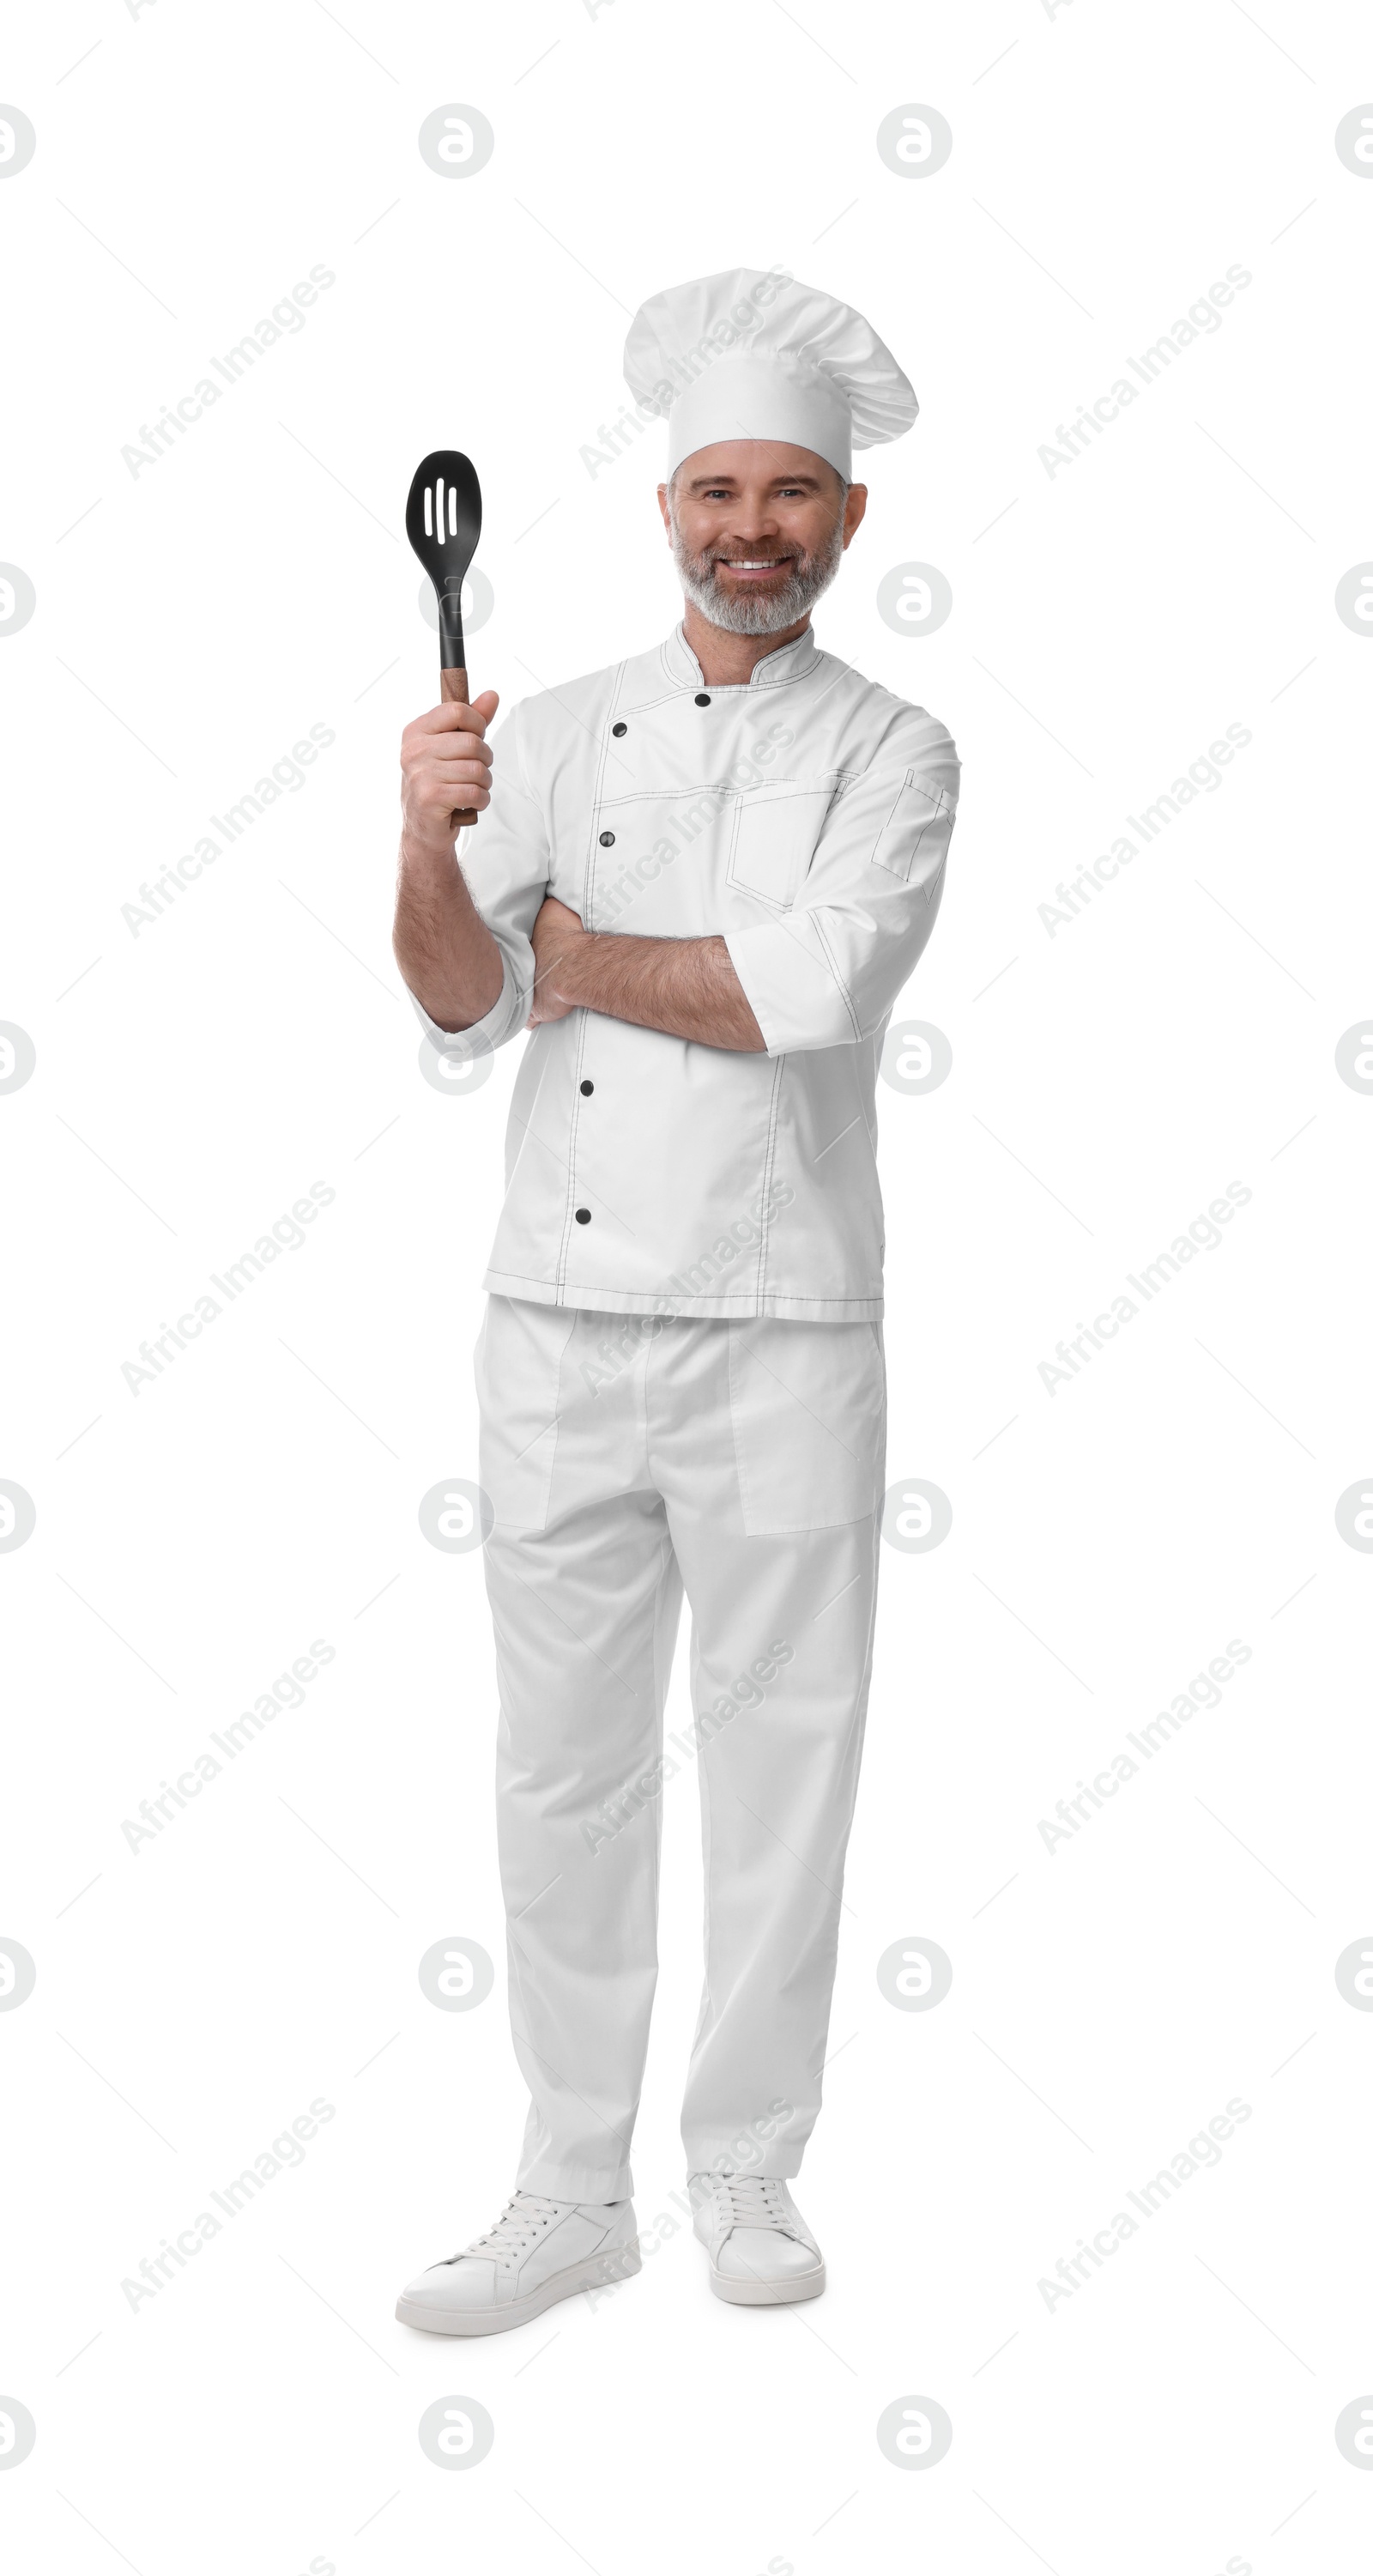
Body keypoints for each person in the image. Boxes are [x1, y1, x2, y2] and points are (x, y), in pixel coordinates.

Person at [390, 268, 959, 2337]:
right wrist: (434, 844)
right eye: (718, 485)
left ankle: (741, 2171)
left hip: (787, 1323)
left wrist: (576, 941)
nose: (753, 525)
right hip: (553, 1312)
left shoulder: (900, 752)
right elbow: (463, 999)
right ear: (662, 509)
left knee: (784, 1746)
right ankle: (566, 2187)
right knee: (559, 1762)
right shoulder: (539, 731)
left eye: (791, 491)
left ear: (845, 522)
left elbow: (802, 998)